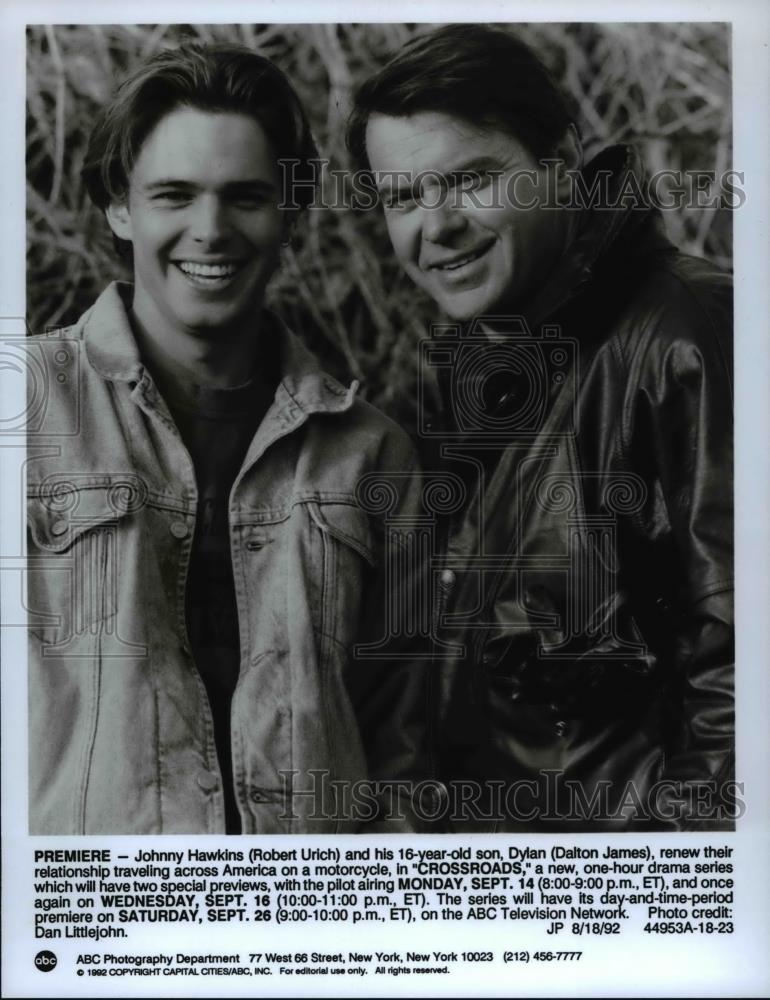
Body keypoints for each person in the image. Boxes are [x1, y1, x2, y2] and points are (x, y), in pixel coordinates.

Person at [27, 43, 427, 835]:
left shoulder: (372, 455)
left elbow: (405, 749)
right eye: (173, 195)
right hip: (87, 926)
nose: (210, 231)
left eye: (245, 198)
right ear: (119, 207)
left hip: (309, 923)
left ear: (291, 211)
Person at [347, 24, 735, 830]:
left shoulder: (690, 338)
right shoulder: (487, 364)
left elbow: (742, 683)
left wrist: (670, 913)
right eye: (402, 198)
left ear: (560, 163)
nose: (437, 226)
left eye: (470, 180)